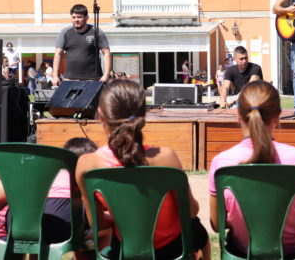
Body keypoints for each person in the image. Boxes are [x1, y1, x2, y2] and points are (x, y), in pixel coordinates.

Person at [75, 79, 210, 259]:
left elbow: (97, 224)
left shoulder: (87, 164)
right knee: (198, 230)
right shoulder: (166, 158)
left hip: (124, 251)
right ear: (143, 116)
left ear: (100, 116)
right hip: (172, 251)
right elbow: (191, 211)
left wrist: (122, 217)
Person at [208, 81, 295, 257]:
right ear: (277, 117)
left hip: (243, 252)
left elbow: (217, 224)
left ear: (238, 116)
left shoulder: (221, 163)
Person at [52, 4, 111, 86]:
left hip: (92, 79)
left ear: (86, 18)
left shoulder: (96, 32)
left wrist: (106, 75)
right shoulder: (65, 32)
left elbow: (106, 53)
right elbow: (58, 54)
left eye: (79, 17)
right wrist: (55, 76)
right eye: (74, 17)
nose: (76, 20)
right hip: (70, 79)